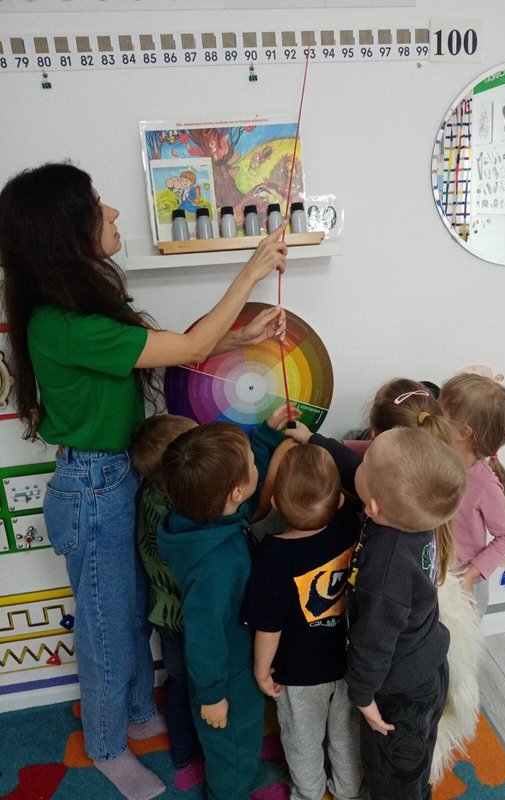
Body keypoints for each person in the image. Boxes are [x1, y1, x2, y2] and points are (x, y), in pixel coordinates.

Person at [0, 162, 288, 800]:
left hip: (112, 479)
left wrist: (238, 334)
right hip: (93, 488)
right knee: (107, 630)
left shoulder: (79, 309)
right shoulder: (63, 324)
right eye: (99, 206)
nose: (113, 214)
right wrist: (251, 270)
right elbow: (186, 350)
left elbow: (169, 348)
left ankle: (134, 712)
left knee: (128, 614)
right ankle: (105, 745)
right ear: (67, 232)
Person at [286, 424, 466, 800]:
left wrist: (364, 697)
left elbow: (373, 641)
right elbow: (357, 470)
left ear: (374, 507)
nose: (359, 461)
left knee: (391, 775)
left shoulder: (384, 570)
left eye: (366, 461)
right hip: (429, 666)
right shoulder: (417, 514)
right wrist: (314, 440)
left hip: (396, 692)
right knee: (416, 758)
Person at [157, 404, 299, 800]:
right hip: (229, 674)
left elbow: (245, 497)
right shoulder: (215, 568)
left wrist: (266, 435)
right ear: (235, 492)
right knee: (233, 741)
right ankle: (230, 790)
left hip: (233, 660)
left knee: (240, 738)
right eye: (253, 463)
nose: (257, 466)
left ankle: (242, 771)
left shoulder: (201, 512)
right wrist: (213, 696)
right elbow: (204, 640)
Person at [244, 445, 364, 800]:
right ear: (339, 499)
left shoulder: (272, 555)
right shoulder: (350, 523)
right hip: (349, 660)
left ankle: (308, 792)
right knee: (347, 732)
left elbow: (269, 627)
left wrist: (261, 672)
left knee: (302, 739)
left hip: (298, 673)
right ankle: (349, 789)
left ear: (275, 503)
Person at [130, 414, 204, 793]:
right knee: (196, 681)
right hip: (186, 614)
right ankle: (196, 750)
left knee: (178, 681)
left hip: (165, 613)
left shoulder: (149, 492)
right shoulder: (180, 511)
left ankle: (182, 753)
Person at [440, 373, 505, 615]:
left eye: (440, 411)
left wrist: (471, 575)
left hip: (464, 585)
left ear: (463, 432)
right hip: (434, 575)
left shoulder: (484, 483)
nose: (431, 415)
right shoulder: (436, 459)